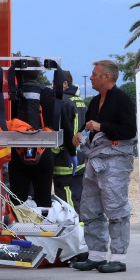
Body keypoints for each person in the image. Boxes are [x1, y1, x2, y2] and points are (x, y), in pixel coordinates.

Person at [70, 60, 138, 274]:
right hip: (94, 162)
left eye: (94, 74)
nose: (91, 78)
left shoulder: (122, 100)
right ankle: (96, 255)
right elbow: (88, 126)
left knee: (116, 208)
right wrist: (79, 134)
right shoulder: (95, 101)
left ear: (106, 77)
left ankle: (118, 257)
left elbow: (129, 130)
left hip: (115, 162)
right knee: (90, 208)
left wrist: (102, 126)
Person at [7, 65, 61, 208]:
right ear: (38, 73)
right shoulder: (48, 94)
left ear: (19, 75)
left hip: (18, 153)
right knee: (44, 202)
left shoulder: (12, 95)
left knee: (17, 204)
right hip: (44, 152)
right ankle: (44, 221)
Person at [53, 70, 86, 215]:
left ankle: (73, 224)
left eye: (54, 83)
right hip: (80, 157)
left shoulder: (62, 101)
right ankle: (80, 225)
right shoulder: (80, 101)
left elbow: (63, 130)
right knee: (77, 196)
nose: (52, 86)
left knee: (66, 196)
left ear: (64, 83)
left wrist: (53, 151)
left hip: (65, 158)